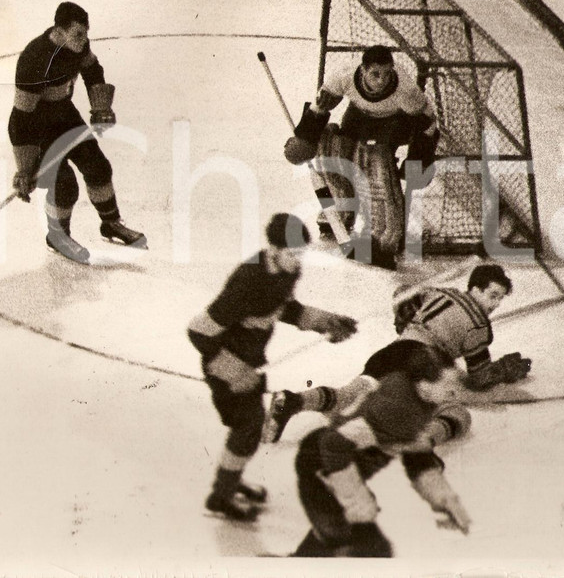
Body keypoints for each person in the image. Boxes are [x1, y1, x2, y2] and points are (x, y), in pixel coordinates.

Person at [187, 213, 358, 522]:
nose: (297, 260)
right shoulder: (248, 280)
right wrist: (234, 372)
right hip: (225, 364)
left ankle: (230, 481)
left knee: (248, 429)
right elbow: (199, 331)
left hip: (249, 362)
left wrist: (325, 321)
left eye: (301, 253)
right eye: (292, 253)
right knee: (249, 427)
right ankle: (220, 497)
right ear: (274, 249)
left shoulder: (285, 271)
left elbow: (284, 308)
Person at [262, 263, 531, 448]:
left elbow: (402, 293)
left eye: (500, 299)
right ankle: (424, 441)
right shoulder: (481, 328)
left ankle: (294, 401)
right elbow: (478, 377)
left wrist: (405, 321)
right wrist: (503, 371)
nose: (495, 304)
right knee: (458, 415)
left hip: (392, 352)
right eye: (492, 295)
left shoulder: (439, 292)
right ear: (475, 289)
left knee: (346, 397)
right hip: (427, 364)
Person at [292, 347, 475, 557]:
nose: (453, 391)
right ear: (424, 384)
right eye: (447, 384)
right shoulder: (396, 407)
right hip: (320, 465)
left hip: (333, 465)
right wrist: (356, 500)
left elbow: (417, 455)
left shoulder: (419, 398)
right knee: (358, 544)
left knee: (348, 539)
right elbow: (333, 444)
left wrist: (443, 499)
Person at [8, 1, 145, 263]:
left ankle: (111, 223)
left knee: (98, 168)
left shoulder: (78, 45)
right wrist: (25, 167)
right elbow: (21, 119)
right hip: (37, 125)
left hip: (63, 114)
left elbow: (92, 70)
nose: (84, 41)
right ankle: (57, 236)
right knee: (64, 185)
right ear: (59, 32)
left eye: (86, 34)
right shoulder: (34, 59)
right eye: (78, 35)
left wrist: (100, 107)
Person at [283, 45, 439, 270]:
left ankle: (384, 237)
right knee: (332, 151)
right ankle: (343, 208)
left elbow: (428, 124)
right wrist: (304, 140)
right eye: (376, 74)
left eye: (387, 73)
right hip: (358, 117)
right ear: (363, 70)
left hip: (394, 123)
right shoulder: (344, 76)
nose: (382, 80)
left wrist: (419, 159)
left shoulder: (406, 91)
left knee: (377, 166)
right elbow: (320, 108)